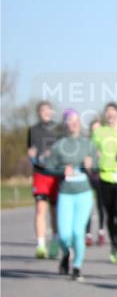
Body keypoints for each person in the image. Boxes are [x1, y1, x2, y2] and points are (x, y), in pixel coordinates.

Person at [48, 110, 97, 281]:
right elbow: (49, 168)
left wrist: (91, 167)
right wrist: (62, 170)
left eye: (76, 120)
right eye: (70, 120)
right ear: (65, 124)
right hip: (66, 194)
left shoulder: (88, 144)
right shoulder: (58, 146)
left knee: (78, 232)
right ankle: (66, 253)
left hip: (84, 193)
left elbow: (97, 170)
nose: (74, 123)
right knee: (64, 235)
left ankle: (77, 266)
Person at [91, 103, 117, 263]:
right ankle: (113, 245)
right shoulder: (99, 131)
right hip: (104, 176)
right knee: (109, 214)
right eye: (107, 112)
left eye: (113, 111)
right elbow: (92, 151)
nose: (110, 114)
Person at [27, 101, 62, 259]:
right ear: (39, 113)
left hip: (55, 174)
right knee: (40, 210)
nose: (46, 112)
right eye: (42, 110)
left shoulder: (59, 129)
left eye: (48, 109)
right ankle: (40, 245)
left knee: (55, 212)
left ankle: (54, 243)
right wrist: (31, 155)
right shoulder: (33, 130)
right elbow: (30, 150)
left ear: (52, 112)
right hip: (40, 174)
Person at [84, 118, 107, 247]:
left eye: (98, 129)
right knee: (88, 206)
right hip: (89, 176)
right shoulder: (87, 143)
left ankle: (101, 231)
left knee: (101, 205)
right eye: (93, 129)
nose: (96, 131)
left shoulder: (105, 142)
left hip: (101, 176)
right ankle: (88, 234)